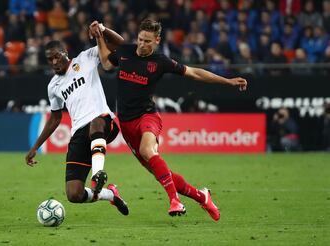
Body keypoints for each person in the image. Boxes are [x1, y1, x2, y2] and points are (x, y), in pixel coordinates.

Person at [90, 19, 248, 219]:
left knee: (148, 150)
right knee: (161, 173)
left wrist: (228, 81)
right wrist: (99, 37)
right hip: (127, 124)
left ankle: (175, 201)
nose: (142, 44)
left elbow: (194, 73)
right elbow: (105, 63)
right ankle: (202, 197)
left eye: (148, 41)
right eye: (140, 39)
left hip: (148, 116)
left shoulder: (161, 62)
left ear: (157, 40)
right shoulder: (125, 51)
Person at [25, 27, 129, 216]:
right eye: (50, 59)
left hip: (104, 122)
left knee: (95, 123)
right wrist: (35, 146)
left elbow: (122, 45)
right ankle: (110, 195)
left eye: (57, 56)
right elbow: (55, 118)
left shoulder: (86, 57)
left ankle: (98, 174)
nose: (54, 62)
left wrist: (103, 30)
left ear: (65, 52)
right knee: (74, 194)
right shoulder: (53, 86)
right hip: (79, 133)